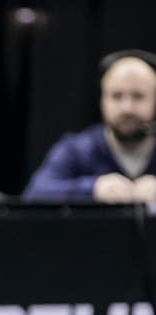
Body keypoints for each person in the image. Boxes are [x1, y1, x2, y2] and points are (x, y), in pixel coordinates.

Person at [24, 49, 156, 203]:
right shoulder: (77, 149)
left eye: (138, 96)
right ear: (102, 100)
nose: (126, 108)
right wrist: (93, 188)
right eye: (116, 96)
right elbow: (35, 193)